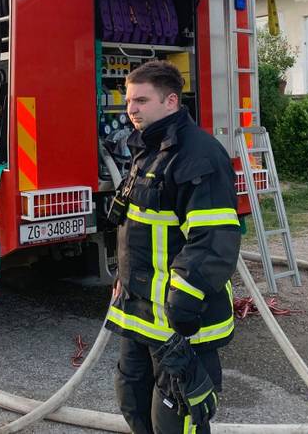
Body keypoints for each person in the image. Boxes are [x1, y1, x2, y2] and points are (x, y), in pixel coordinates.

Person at [106, 61, 240, 434]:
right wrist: (123, 278)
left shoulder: (198, 154)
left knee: (177, 419)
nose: (130, 109)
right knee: (132, 401)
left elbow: (214, 240)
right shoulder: (147, 150)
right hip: (140, 313)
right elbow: (139, 230)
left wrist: (183, 302)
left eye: (141, 100)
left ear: (170, 101)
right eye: (129, 100)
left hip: (180, 321)